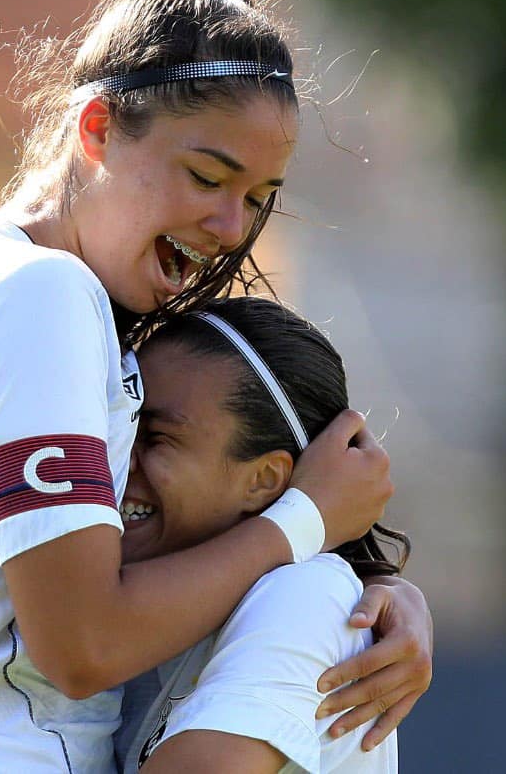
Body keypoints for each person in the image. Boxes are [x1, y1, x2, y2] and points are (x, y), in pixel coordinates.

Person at [0, 0, 432, 773]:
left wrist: (373, 589)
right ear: (96, 127)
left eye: (258, 196)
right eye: (207, 177)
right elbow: (84, 643)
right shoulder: (39, 296)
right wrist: (307, 521)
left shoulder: (11, 286)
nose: (230, 225)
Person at [114, 296, 407, 773]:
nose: (114, 459)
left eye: (156, 438)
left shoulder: (306, 597)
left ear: (265, 480)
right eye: (119, 429)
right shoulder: (155, 609)